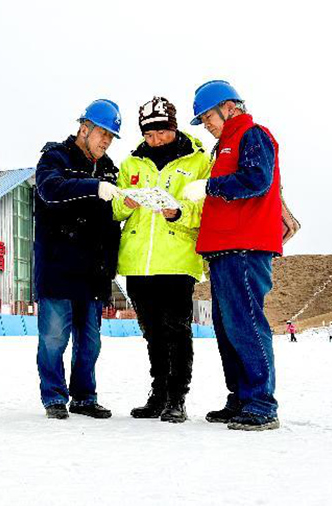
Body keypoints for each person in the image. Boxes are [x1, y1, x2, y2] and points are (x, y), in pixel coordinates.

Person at [182, 80, 283, 431]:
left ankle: (261, 402)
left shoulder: (252, 135)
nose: (206, 125)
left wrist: (210, 186)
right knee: (228, 328)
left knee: (246, 323)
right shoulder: (224, 145)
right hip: (224, 247)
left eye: (207, 117)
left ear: (229, 107)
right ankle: (240, 397)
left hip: (245, 245)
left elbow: (257, 179)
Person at [113, 97, 211, 423]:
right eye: (148, 134)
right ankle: (158, 395)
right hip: (138, 261)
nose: (154, 140)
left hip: (178, 259)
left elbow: (207, 208)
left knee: (177, 331)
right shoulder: (131, 163)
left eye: (161, 133)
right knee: (152, 332)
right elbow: (115, 209)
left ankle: (177, 398)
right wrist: (125, 203)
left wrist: (179, 212)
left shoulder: (199, 161)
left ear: (174, 127)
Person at [33, 99, 125, 420]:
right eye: (103, 133)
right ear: (84, 128)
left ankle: (84, 397)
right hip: (59, 268)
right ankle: (54, 396)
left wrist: (110, 266)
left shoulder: (110, 169)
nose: (106, 141)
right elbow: (50, 189)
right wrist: (94, 187)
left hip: (93, 273)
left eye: (111, 136)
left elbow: (111, 223)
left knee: (90, 343)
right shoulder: (54, 157)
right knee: (53, 339)